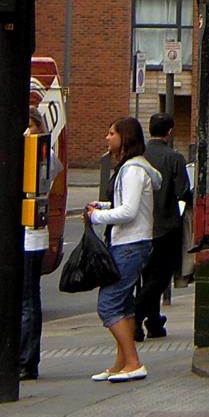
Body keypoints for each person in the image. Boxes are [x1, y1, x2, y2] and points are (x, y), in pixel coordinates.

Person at [86, 117, 160, 383]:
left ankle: (134, 362)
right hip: (130, 243)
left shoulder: (133, 171)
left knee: (108, 305)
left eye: (111, 133)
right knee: (124, 305)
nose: (107, 138)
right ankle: (121, 363)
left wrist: (96, 217)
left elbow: (129, 212)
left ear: (124, 137)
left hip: (130, 244)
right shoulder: (131, 169)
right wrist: (104, 207)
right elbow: (128, 205)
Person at [133, 113, 191, 341]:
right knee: (160, 276)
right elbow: (183, 192)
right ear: (170, 132)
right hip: (165, 225)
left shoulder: (139, 156)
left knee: (147, 276)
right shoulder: (174, 158)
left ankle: (154, 322)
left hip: (140, 225)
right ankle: (136, 316)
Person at [19, 109, 63, 381]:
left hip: (32, 236)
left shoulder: (43, 154)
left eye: (30, 126)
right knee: (23, 299)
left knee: (28, 300)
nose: (26, 132)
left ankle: (27, 360)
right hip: (22, 235)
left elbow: (46, 177)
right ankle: (23, 356)